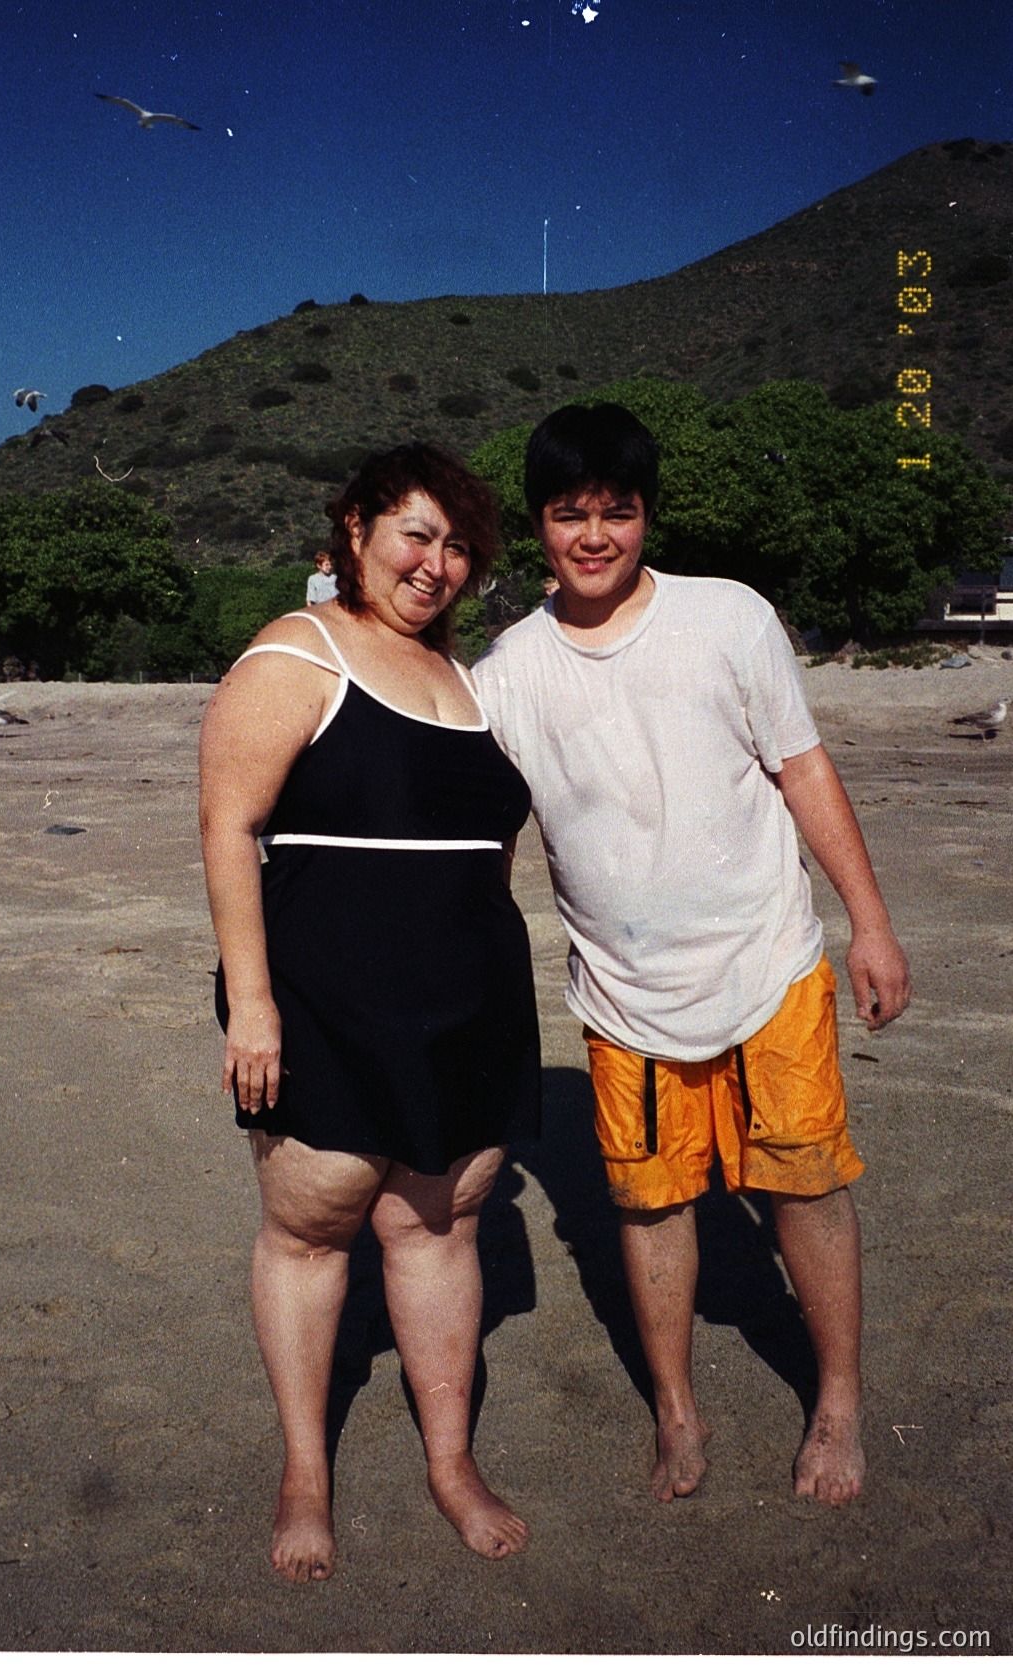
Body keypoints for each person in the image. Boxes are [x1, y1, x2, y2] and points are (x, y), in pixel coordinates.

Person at [473, 403, 911, 1510]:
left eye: (614, 513)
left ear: (644, 516)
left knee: (805, 1186)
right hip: (623, 999)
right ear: (538, 526)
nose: (593, 536)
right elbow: (487, 833)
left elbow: (801, 770)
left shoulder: (729, 619)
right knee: (649, 1205)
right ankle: (675, 1413)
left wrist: (869, 922)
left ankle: (838, 1403)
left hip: (768, 965)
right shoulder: (510, 671)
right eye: (569, 514)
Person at [199, 444, 540, 1583]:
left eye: (456, 545)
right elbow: (228, 830)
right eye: (414, 534)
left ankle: (449, 1463)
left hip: (468, 1004)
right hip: (322, 1006)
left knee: (440, 1226)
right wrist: (251, 1006)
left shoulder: (460, 676)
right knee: (310, 1233)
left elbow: (489, 847)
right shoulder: (296, 655)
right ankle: (306, 1470)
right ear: (353, 529)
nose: (435, 563)